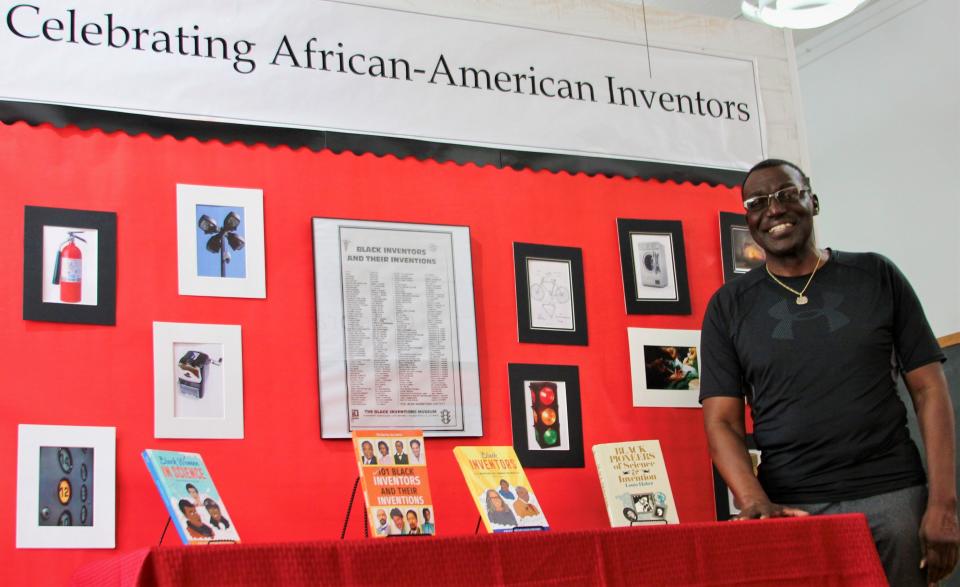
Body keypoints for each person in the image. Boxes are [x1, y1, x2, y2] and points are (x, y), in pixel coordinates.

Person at [700, 158, 959, 586]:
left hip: (893, 497)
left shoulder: (876, 275)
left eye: (787, 194)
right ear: (748, 219)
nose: (775, 209)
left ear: (813, 201)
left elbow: (930, 390)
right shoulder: (729, 307)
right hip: (792, 508)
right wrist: (753, 500)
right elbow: (722, 421)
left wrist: (944, 504)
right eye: (758, 202)